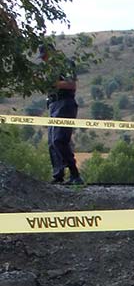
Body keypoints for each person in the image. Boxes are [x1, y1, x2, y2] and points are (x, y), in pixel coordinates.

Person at [40, 44, 82, 184]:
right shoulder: (49, 69)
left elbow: (71, 84)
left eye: (46, 56)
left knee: (59, 139)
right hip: (53, 103)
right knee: (52, 142)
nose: (45, 60)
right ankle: (58, 175)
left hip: (65, 102)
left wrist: (52, 83)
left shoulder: (66, 64)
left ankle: (74, 174)